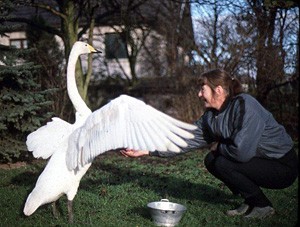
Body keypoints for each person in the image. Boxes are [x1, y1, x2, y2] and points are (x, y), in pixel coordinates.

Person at [121, 69, 298, 219]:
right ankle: (250, 200)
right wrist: (146, 149)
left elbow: (242, 152)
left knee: (221, 160)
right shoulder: (210, 117)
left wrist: (218, 146)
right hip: (258, 162)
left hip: (282, 166)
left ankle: (262, 206)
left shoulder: (245, 105)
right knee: (211, 160)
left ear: (218, 90)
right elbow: (183, 140)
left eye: (202, 89)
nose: (199, 94)